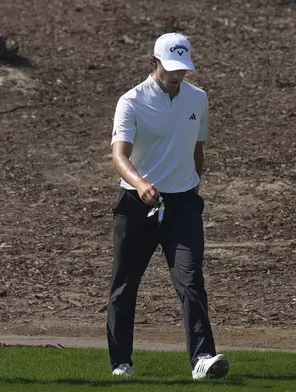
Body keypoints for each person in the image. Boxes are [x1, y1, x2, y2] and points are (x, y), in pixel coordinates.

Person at [106, 33, 229, 380]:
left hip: (183, 204)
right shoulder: (131, 101)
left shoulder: (198, 99)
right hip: (137, 202)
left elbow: (197, 149)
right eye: (171, 68)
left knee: (190, 280)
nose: (178, 76)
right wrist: (142, 184)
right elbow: (119, 155)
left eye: (183, 69)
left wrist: (190, 186)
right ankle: (121, 361)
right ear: (153, 64)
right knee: (125, 284)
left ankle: (203, 359)